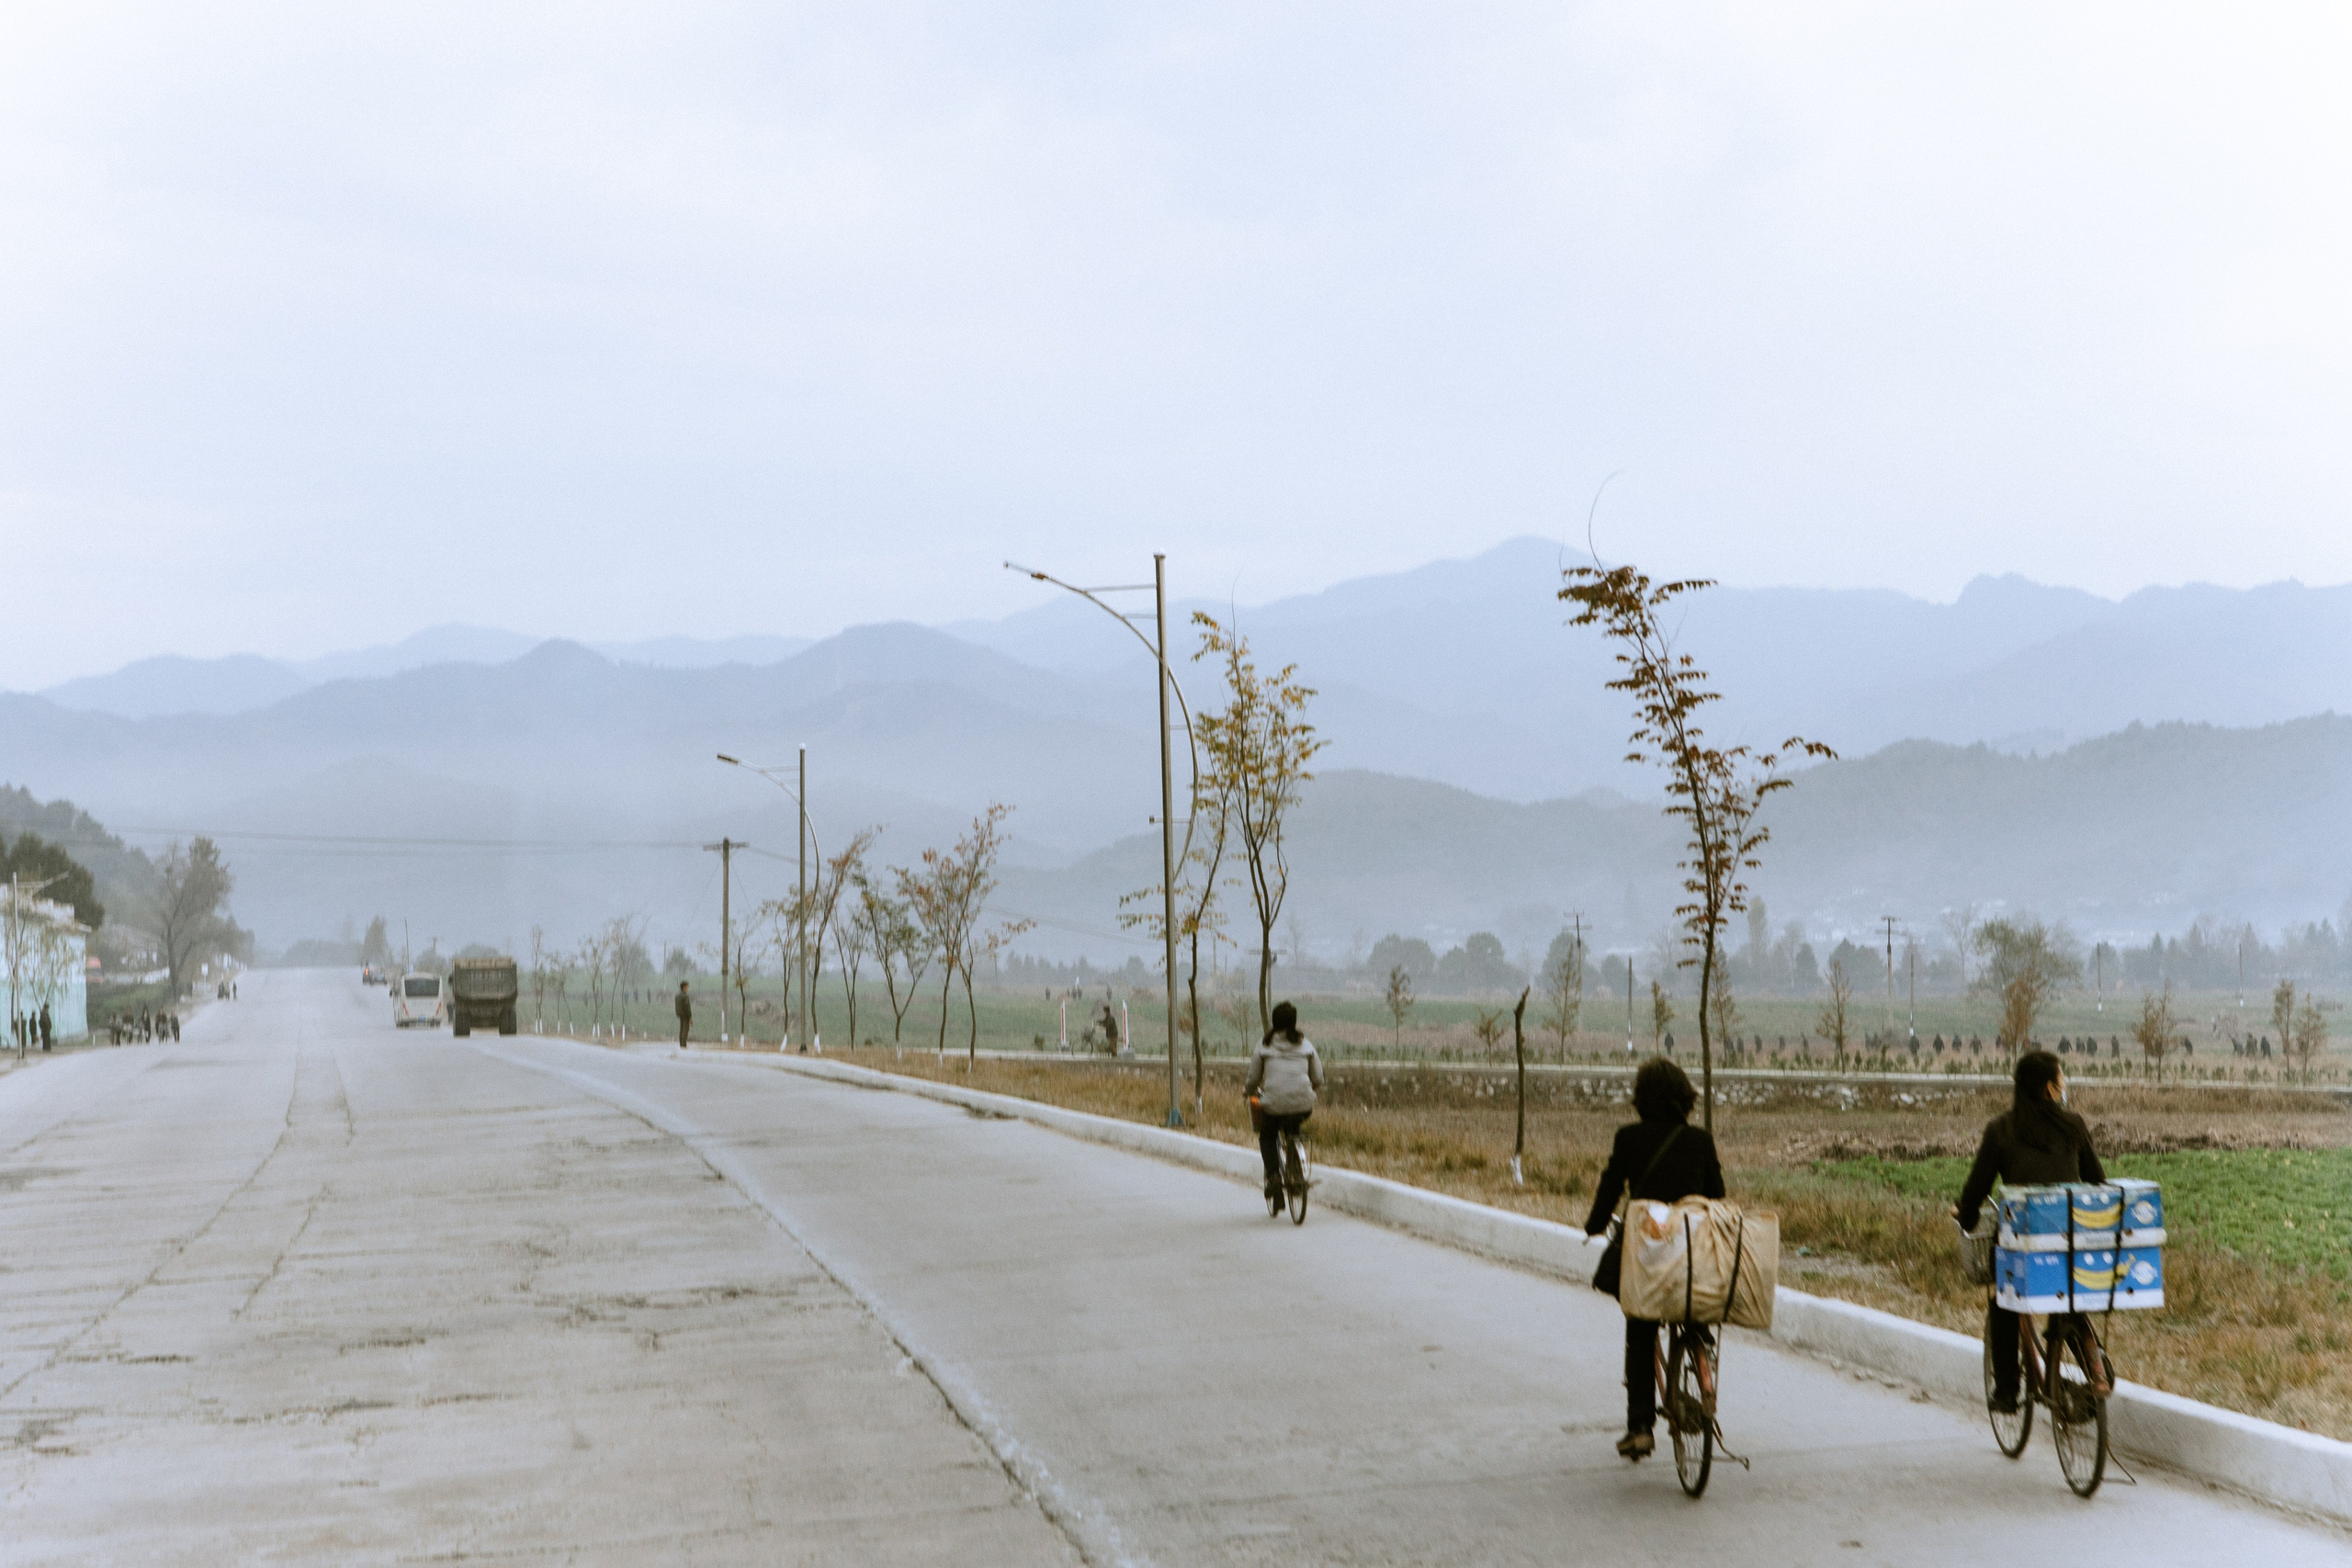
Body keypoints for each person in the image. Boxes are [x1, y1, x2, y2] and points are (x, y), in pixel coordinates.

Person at [1583, 1057, 1725, 1461]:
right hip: (1691, 1255)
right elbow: (1717, 1195)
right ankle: (1700, 1344)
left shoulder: (1629, 1138)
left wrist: (1594, 1224)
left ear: (1641, 1099)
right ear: (1685, 1098)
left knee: (1641, 1327)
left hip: (1648, 1255)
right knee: (1693, 1301)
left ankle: (1641, 1427)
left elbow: (1611, 1187)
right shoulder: (1700, 1141)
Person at [1953, 1049, 2105, 1415]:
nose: (2064, 1086)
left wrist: (1967, 1215)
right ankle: (2096, 1367)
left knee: (2004, 1303)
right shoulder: (2075, 1126)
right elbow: (2097, 1181)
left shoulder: (2001, 1130)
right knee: (2069, 1297)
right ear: (2049, 1089)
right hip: (2072, 1244)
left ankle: (2007, 1390)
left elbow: (1977, 1189)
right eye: (2061, 1080)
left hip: (2024, 1249)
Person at [1243, 1000, 1323, 1202]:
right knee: (1292, 1125)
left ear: (1274, 1021)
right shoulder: (1305, 1044)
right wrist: (1308, 1090)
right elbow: (1318, 1078)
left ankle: (1274, 1176)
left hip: (1274, 1105)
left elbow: (1253, 1079)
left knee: (1267, 1136)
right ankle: (1296, 1170)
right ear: (1294, 1022)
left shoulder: (1264, 1044)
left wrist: (1248, 1091)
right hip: (1304, 1105)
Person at [674, 981, 692, 1050]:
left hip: (680, 1014)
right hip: (685, 1015)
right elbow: (687, 1007)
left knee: (681, 1029)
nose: (688, 988)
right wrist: (690, 1016)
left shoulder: (677, 996)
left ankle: (681, 1044)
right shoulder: (685, 996)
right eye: (687, 986)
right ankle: (684, 1045)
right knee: (685, 1030)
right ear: (684, 987)